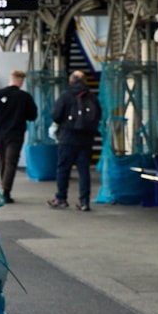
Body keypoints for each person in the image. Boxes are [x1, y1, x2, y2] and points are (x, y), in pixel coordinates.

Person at [49, 69, 102, 211]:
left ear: (70, 81)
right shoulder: (92, 97)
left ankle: (61, 198)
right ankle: (84, 202)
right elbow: (98, 115)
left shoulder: (66, 95)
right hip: (86, 139)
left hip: (67, 138)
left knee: (63, 169)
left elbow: (55, 115)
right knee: (84, 170)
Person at [0, 69, 38, 203]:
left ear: (10, 79)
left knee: (2, 160)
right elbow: (32, 116)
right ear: (21, 81)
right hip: (16, 134)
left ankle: (3, 186)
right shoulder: (25, 97)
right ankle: (6, 191)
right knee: (11, 162)